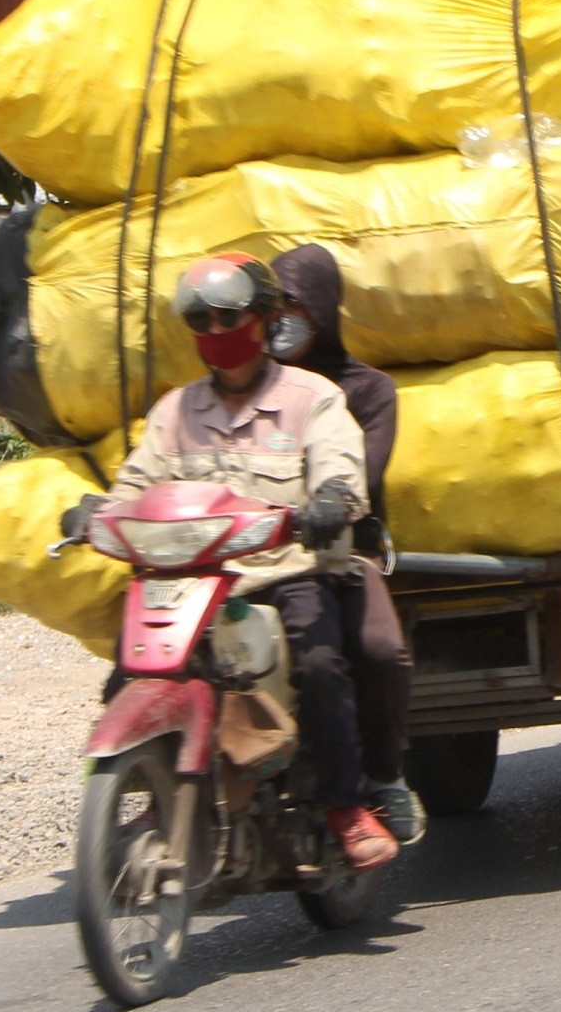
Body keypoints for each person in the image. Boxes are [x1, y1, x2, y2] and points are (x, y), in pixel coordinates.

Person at [65, 254, 397, 875]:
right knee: (128, 675)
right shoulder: (175, 411)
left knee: (322, 664)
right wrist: (95, 514)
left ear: (265, 320)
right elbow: (136, 482)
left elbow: (341, 470)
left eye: (229, 315)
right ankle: (159, 792)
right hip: (186, 582)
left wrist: (330, 502)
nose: (215, 329)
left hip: (281, 572)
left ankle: (345, 805)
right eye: (201, 318)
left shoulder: (313, 399)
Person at [268, 244, 422, 848]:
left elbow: (365, 474)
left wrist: (330, 504)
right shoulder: (246, 388)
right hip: (250, 555)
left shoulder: (368, 390)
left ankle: (384, 778)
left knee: (379, 651)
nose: (283, 321)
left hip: (338, 554)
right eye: (274, 307)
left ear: (325, 311)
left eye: (297, 307)